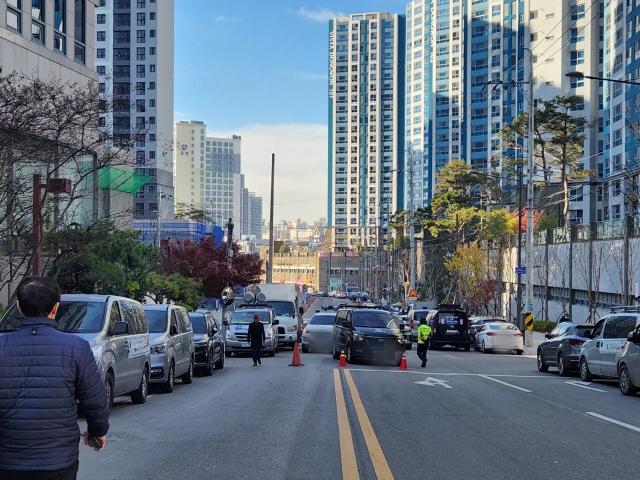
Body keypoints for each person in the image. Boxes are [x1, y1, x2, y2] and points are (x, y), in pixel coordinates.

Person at [0, 277, 110, 480]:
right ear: (56, 308)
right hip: (58, 460)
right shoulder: (76, 348)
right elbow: (95, 399)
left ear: (19, 307)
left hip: (7, 460)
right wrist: (97, 431)